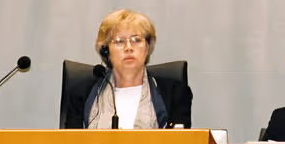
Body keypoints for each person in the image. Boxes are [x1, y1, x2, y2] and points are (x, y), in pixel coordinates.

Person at [64, 9, 192, 129]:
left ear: (147, 48)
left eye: (136, 40)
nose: (129, 47)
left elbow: (180, 143)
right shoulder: (82, 94)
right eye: (120, 41)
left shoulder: (175, 94)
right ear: (106, 51)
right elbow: (71, 142)